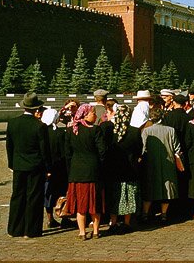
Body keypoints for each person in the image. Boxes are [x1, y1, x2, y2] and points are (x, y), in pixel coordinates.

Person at [5, 92, 50, 238]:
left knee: (17, 196)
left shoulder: (12, 123)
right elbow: (44, 150)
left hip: (18, 165)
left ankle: (14, 229)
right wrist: (48, 168)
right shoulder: (39, 126)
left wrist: (12, 163)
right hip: (35, 166)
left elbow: (9, 146)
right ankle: (31, 230)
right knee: (34, 197)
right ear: (36, 109)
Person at [65, 103, 106, 239]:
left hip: (76, 171)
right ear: (86, 114)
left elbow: (67, 152)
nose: (95, 115)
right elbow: (102, 151)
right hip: (93, 170)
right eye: (93, 113)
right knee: (95, 203)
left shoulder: (71, 130)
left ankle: (82, 232)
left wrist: (70, 168)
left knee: (80, 203)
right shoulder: (95, 130)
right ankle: (95, 231)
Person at [140, 106, 182, 223]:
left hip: (150, 164)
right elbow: (177, 148)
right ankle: (164, 214)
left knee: (149, 189)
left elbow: (143, 149)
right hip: (168, 164)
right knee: (167, 190)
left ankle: (145, 213)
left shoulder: (146, 131)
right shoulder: (171, 130)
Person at [103, 102, 140, 233]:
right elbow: (138, 151)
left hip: (113, 169)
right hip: (129, 169)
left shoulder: (110, 131)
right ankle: (127, 222)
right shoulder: (134, 132)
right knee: (128, 196)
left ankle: (113, 222)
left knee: (114, 196)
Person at [42, 107, 69, 229]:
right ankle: (64, 217)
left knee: (48, 194)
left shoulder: (41, 132)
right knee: (61, 193)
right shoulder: (59, 133)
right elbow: (64, 153)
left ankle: (50, 218)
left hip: (46, 168)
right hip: (59, 168)